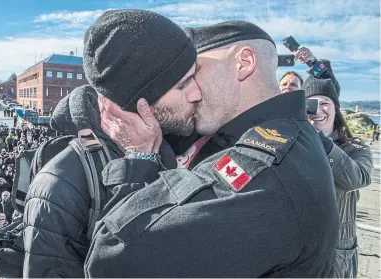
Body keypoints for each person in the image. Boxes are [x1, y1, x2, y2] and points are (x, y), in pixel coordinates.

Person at [85, 20, 339, 277]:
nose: (192, 92)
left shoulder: (265, 170)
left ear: (244, 62)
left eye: (195, 72)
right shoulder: (284, 136)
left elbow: (112, 256)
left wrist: (140, 158)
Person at [23, 9, 201, 278]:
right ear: (139, 100)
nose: (197, 93)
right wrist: (141, 164)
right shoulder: (60, 185)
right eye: (183, 84)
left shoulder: (178, 143)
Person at [303, 76, 373, 278]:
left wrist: (321, 142)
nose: (318, 109)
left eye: (325, 103)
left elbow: (357, 178)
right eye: (311, 103)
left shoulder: (355, 148)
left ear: (336, 109)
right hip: (299, 247)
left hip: (336, 252)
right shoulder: (295, 143)